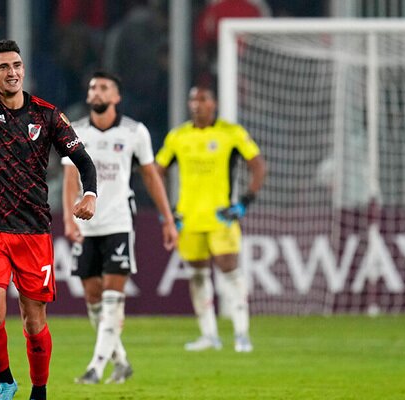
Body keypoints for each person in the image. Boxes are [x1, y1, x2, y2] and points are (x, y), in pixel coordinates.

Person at [0, 1, 97, 399]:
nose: (12, 72)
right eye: (3, 67)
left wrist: (90, 194)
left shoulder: (48, 116)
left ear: (23, 70)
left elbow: (83, 160)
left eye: (16, 65)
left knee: (34, 321)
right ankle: (4, 380)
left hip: (33, 231)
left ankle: (39, 391)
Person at [62, 71, 178, 384]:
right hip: (86, 225)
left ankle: (96, 368)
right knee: (93, 299)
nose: (96, 92)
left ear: (116, 97)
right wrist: (67, 219)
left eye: (103, 88)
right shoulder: (76, 131)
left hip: (118, 222)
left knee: (113, 298)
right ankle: (122, 362)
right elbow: (70, 178)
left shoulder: (134, 132)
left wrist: (167, 219)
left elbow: (151, 176)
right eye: (92, 88)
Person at [155, 85, 266, 352]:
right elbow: (156, 170)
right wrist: (168, 211)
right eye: (192, 99)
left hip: (221, 218)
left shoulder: (231, 133)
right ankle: (209, 335)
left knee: (230, 271)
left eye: (202, 99)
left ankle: (241, 334)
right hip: (189, 219)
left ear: (213, 104)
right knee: (197, 275)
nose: (196, 104)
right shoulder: (178, 136)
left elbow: (258, 166)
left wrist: (244, 203)